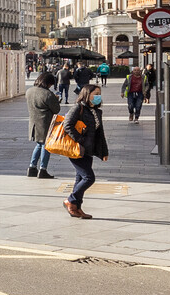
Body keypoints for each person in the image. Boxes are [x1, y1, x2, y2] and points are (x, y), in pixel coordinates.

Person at [60, 83, 110, 219]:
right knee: (89, 177)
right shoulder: (78, 108)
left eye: (100, 94)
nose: (98, 96)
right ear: (87, 94)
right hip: (76, 148)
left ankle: (76, 207)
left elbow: (100, 133)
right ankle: (70, 200)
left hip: (88, 150)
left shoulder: (96, 111)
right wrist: (80, 140)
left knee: (80, 178)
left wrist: (104, 152)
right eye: (96, 94)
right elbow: (67, 125)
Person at [26, 70, 60, 179]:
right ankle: (43, 169)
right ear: (48, 83)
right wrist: (56, 100)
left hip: (34, 123)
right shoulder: (48, 94)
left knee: (39, 145)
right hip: (45, 124)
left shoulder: (29, 91)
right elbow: (56, 109)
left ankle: (32, 167)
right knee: (46, 146)